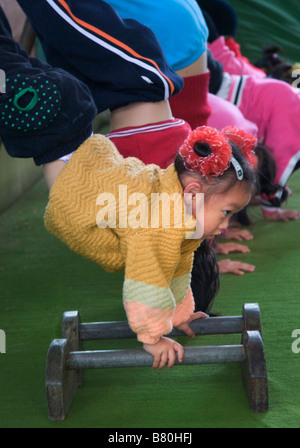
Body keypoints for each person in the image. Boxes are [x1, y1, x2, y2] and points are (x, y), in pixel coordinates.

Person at [0, 6, 257, 367]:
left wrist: (167, 324)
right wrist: (168, 324)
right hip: (71, 129)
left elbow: (161, 277)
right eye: (227, 212)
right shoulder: (170, 223)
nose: (226, 225)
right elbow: (162, 279)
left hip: (62, 123)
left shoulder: (168, 226)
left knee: (39, 79)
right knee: (28, 67)